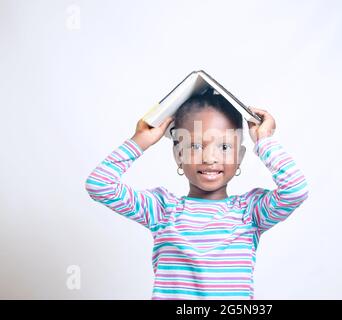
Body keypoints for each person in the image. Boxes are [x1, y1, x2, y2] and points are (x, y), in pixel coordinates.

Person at [85, 91, 309, 299]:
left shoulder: (250, 211)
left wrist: (264, 141)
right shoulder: (162, 209)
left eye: (224, 147)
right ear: (178, 155)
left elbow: (295, 191)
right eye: (195, 145)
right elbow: (99, 185)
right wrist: (140, 141)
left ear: (239, 157)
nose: (210, 158)